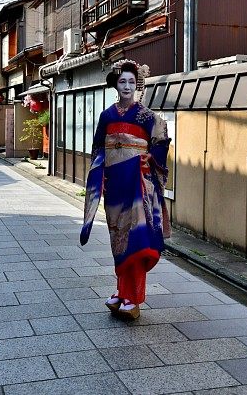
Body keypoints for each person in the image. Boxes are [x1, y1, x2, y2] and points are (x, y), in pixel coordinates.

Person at [81, 59, 171, 320]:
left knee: (136, 238)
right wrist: (99, 177)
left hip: (136, 183)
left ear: (137, 85)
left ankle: (134, 297)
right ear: (115, 86)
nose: (127, 86)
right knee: (117, 238)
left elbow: (161, 142)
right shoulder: (106, 116)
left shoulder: (146, 116)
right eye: (123, 82)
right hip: (114, 185)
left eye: (132, 82)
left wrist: (151, 158)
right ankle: (121, 291)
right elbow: (98, 149)